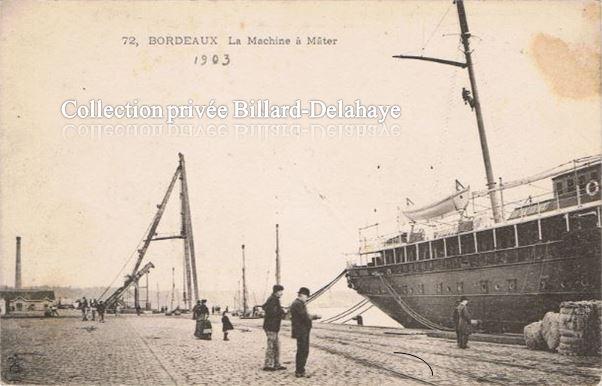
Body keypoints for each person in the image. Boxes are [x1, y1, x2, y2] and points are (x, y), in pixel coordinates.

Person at [290, 287, 318, 378]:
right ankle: (300, 371)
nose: (307, 298)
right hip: (301, 331)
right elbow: (304, 317)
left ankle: (300, 370)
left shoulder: (297, 303)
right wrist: (315, 316)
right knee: (303, 350)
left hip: (301, 330)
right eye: (306, 297)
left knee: (302, 350)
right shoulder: (298, 304)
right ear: (302, 295)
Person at [261, 284, 286, 371]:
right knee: (271, 346)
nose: (281, 293)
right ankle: (268, 365)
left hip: (272, 326)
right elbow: (272, 312)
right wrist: (282, 311)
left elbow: (264, 307)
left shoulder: (272, 299)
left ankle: (276, 364)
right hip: (271, 326)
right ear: (276, 291)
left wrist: (280, 310)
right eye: (280, 291)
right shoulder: (273, 300)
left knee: (276, 345)